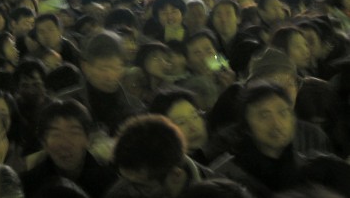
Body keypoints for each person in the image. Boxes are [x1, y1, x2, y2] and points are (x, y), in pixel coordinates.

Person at [211, 82, 350, 197]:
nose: (276, 124)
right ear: (246, 126)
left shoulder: (319, 169)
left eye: (283, 113)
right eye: (264, 115)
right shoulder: (224, 177)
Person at [20, 99, 116, 198]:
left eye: (74, 132)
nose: (65, 143)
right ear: (44, 143)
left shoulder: (110, 182)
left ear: (88, 139)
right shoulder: (27, 186)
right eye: (55, 134)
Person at [106, 114, 213, 198]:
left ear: (176, 175)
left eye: (143, 188)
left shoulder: (216, 191)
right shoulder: (121, 192)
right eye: (125, 179)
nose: (131, 192)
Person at [77, 31, 144, 135]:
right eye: (103, 68)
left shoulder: (135, 107)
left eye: (116, 68)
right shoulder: (68, 104)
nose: (110, 76)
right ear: (85, 67)